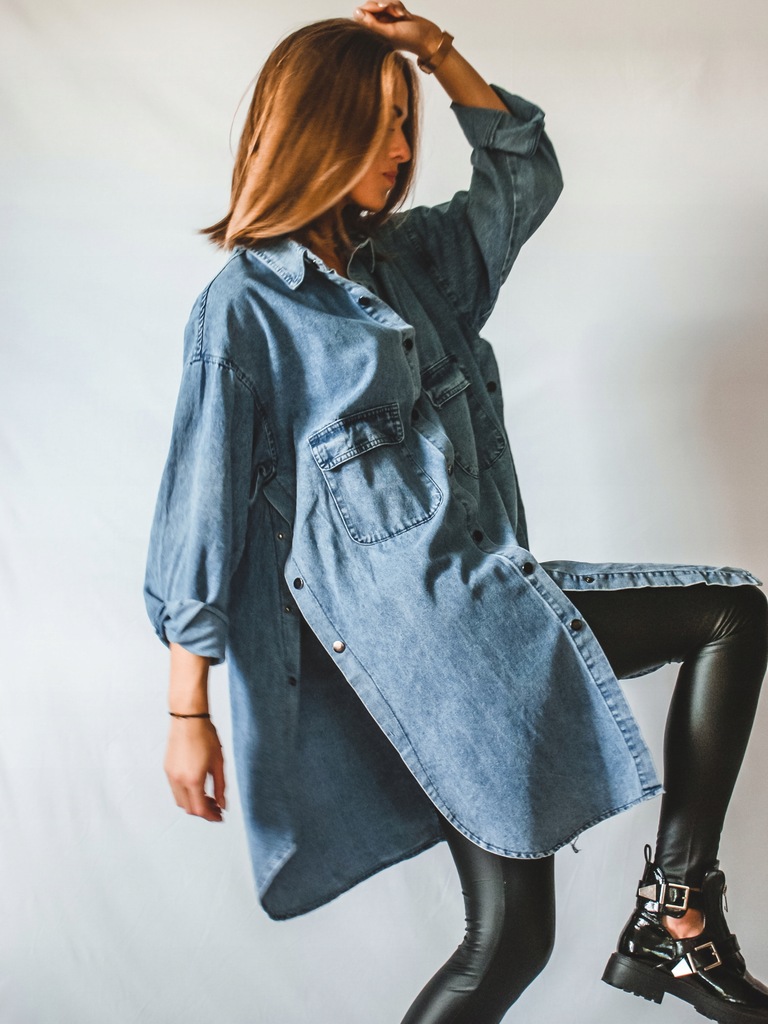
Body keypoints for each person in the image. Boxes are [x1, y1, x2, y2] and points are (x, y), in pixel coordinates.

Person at [144, 5, 768, 1022]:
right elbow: (197, 521)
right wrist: (188, 713)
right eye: (379, 123)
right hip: (430, 651)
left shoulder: (412, 264)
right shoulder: (247, 311)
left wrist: (434, 54)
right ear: (317, 129)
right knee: (730, 615)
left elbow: (522, 175)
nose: (401, 150)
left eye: (405, 123)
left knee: (511, 941)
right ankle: (679, 918)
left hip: (491, 612)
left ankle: (676, 914)